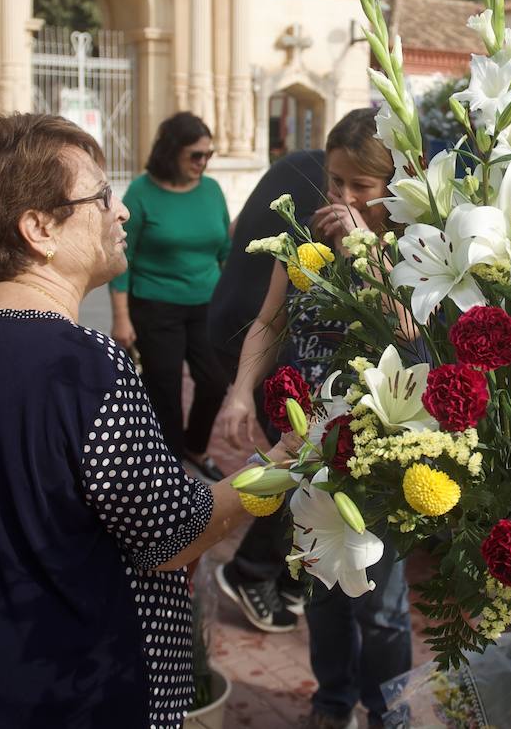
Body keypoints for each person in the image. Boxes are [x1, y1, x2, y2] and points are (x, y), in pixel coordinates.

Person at [0, 113, 300, 727]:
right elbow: (168, 536)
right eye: (101, 197)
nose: (121, 211)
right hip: (64, 678)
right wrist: (276, 469)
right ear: (38, 229)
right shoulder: (86, 365)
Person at [214, 109, 414, 729]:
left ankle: (390, 710)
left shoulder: (414, 239)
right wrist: (242, 392)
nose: (344, 199)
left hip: (383, 439)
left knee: (379, 601)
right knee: (320, 587)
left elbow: (412, 333)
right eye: (335, 183)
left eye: (360, 186)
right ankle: (331, 703)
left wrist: (364, 249)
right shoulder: (303, 235)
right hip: (309, 436)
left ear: (394, 183)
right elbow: (271, 319)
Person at [205, 148, 327, 632]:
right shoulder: (342, 193)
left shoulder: (295, 162)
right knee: (297, 463)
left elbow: (237, 230)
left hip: (233, 314)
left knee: (303, 463)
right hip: (258, 335)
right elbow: (272, 314)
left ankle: (289, 579)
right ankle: (250, 571)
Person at [109, 111, 231, 480]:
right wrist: (121, 316)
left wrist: (231, 300)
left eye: (208, 155)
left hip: (207, 302)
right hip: (155, 304)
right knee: (164, 387)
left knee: (214, 380)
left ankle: (194, 445)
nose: (203, 163)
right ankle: (170, 463)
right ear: (171, 151)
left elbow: (225, 249)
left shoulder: (211, 190)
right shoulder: (142, 192)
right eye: (196, 155)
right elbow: (122, 257)